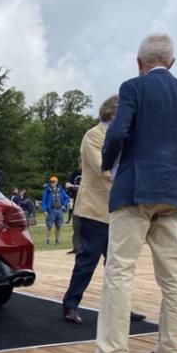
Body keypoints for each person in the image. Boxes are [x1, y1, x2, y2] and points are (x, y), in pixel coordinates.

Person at [70, 33, 177, 353]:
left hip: (135, 191)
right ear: (172, 62)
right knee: (173, 276)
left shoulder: (133, 88)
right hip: (174, 196)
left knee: (120, 271)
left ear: (139, 62)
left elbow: (117, 133)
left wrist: (110, 165)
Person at [61, 95, 146, 325]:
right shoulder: (94, 135)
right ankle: (71, 304)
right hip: (95, 209)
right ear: (113, 113)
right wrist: (133, 177)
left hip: (120, 208)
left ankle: (119, 307)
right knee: (88, 259)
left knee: (119, 263)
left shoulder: (127, 136)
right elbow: (102, 168)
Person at [41, 176, 69, 245]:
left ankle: (57, 240)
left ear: (57, 182)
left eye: (53, 181)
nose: (52, 183)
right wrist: (44, 210)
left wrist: (64, 205)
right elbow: (44, 201)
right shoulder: (47, 190)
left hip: (59, 210)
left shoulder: (60, 189)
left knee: (58, 226)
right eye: (51, 181)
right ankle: (47, 240)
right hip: (51, 210)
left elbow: (66, 198)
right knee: (49, 226)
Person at [65, 161, 82, 253]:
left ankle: (85, 248)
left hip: (88, 203)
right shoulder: (76, 172)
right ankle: (76, 248)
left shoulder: (90, 171)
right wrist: (75, 186)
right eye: (80, 162)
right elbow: (67, 184)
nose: (81, 164)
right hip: (76, 203)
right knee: (76, 226)